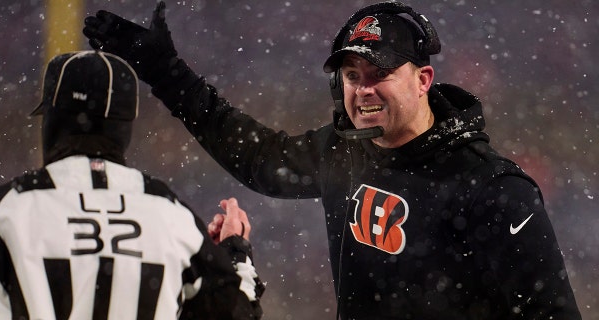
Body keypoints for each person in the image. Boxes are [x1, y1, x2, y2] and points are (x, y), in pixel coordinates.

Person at [83, 2, 582, 319]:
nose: (362, 89)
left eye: (378, 72)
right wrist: (165, 72)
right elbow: (256, 157)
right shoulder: (344, 151)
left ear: (423, 80)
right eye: (350, 74)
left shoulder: (494, 188)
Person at [0, 50, 264, 319]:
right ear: (124, 126)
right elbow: (234, 313)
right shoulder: (172, 217)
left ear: (53, 120)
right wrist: (235, 254)